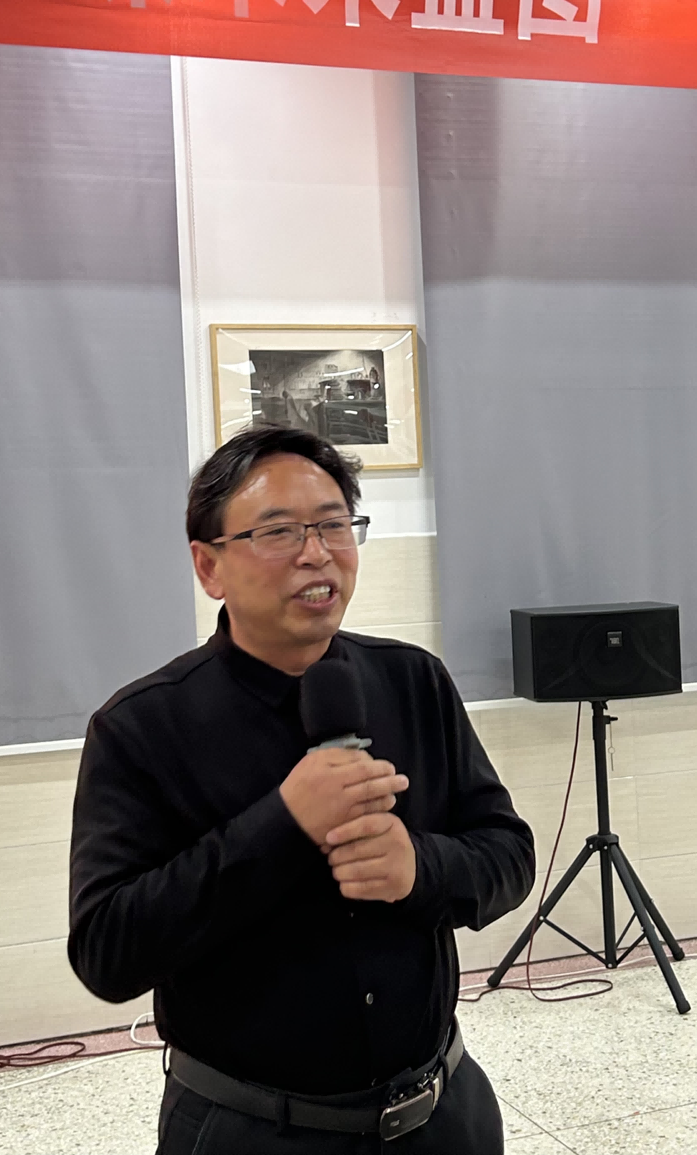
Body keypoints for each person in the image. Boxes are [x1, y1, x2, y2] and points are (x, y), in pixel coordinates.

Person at [68, 424, 536, 1153]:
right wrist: (282, 823)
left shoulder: (413, 680)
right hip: (250, 1129)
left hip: (441, 1113)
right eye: (279, 531)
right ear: (209, 565)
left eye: (333, 525)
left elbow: (508, 855)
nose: (316, 552)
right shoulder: (141, 726)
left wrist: (419, 867)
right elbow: (108, 950)